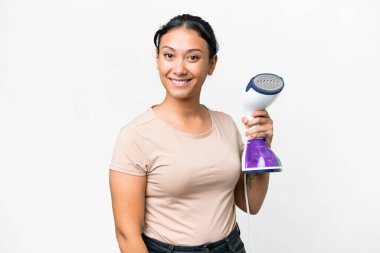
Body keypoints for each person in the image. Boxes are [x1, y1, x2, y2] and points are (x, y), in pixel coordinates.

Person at [109, 14, 274, 253]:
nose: (179, 68)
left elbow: (252, 203)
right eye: (169, 55)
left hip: (230, 247)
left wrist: (262, 146)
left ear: (211, 64)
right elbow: (127, 235)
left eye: (193, 57)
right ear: (157, 60)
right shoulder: (135, 136)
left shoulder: (226, 125)